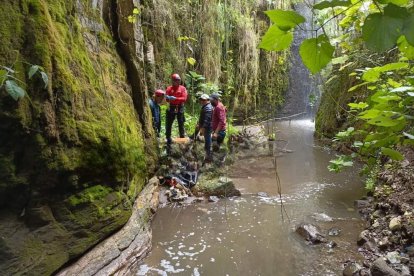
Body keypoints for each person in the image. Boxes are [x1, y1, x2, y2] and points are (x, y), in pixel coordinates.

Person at [165, 73, 188, 145]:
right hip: (171, 107)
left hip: (180, 107)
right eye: (175, 80)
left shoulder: (182, 88)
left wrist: (175, 99)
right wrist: (169, 98)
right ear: (172, 81)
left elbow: (184, 98)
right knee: (169, 122)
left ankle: (182, 138)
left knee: (181, 122)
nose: (177, 82)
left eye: (178, 80)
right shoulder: (169, 88)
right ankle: (168, 138)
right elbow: (166, 98)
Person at [193, 94, 213, 161]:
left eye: (204, 100)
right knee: (197, 130)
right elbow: (203, 117)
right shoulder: (205, 106)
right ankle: (193, 138)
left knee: (207, 138)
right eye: (201, 99)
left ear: (208, 100)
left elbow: (207, 119)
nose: (202, 101)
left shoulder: (208, 108)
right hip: (204, 124)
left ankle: (208, 153)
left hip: (207, 126)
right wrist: (199, 123)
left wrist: (203, 128)